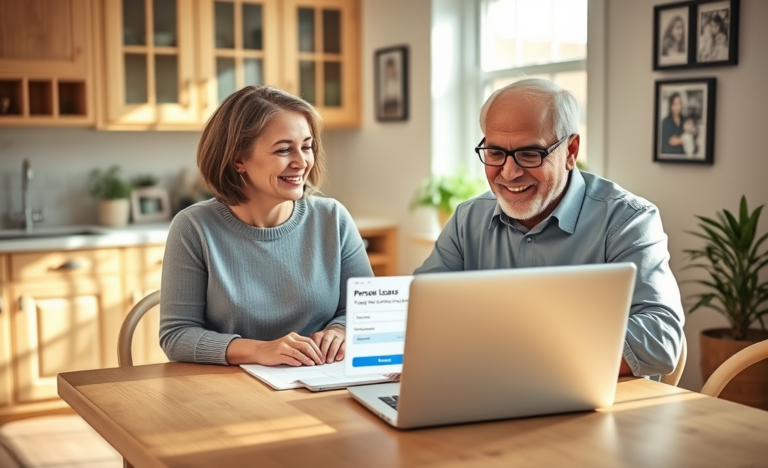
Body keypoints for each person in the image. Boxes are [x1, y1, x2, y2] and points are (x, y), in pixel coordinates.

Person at [415, 78, 684, 379]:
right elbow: (420, 312)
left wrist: (519, 349)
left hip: (595, 399)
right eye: (495, 153)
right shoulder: (468, 219)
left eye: (530, 154)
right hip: (482, 388)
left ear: (570, 151)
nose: (509, 172)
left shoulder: (628, 220)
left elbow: (660, 340)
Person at [160, 86, 374, 367]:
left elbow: (364, 310)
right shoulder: (193, 228)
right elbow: (177, 336)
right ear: (239, 159)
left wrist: (340, 331)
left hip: (320, 378)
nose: (302, 162)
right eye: (284, 150)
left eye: (306, 146)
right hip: (229, 385)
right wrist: (259, 350)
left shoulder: (333, 218)